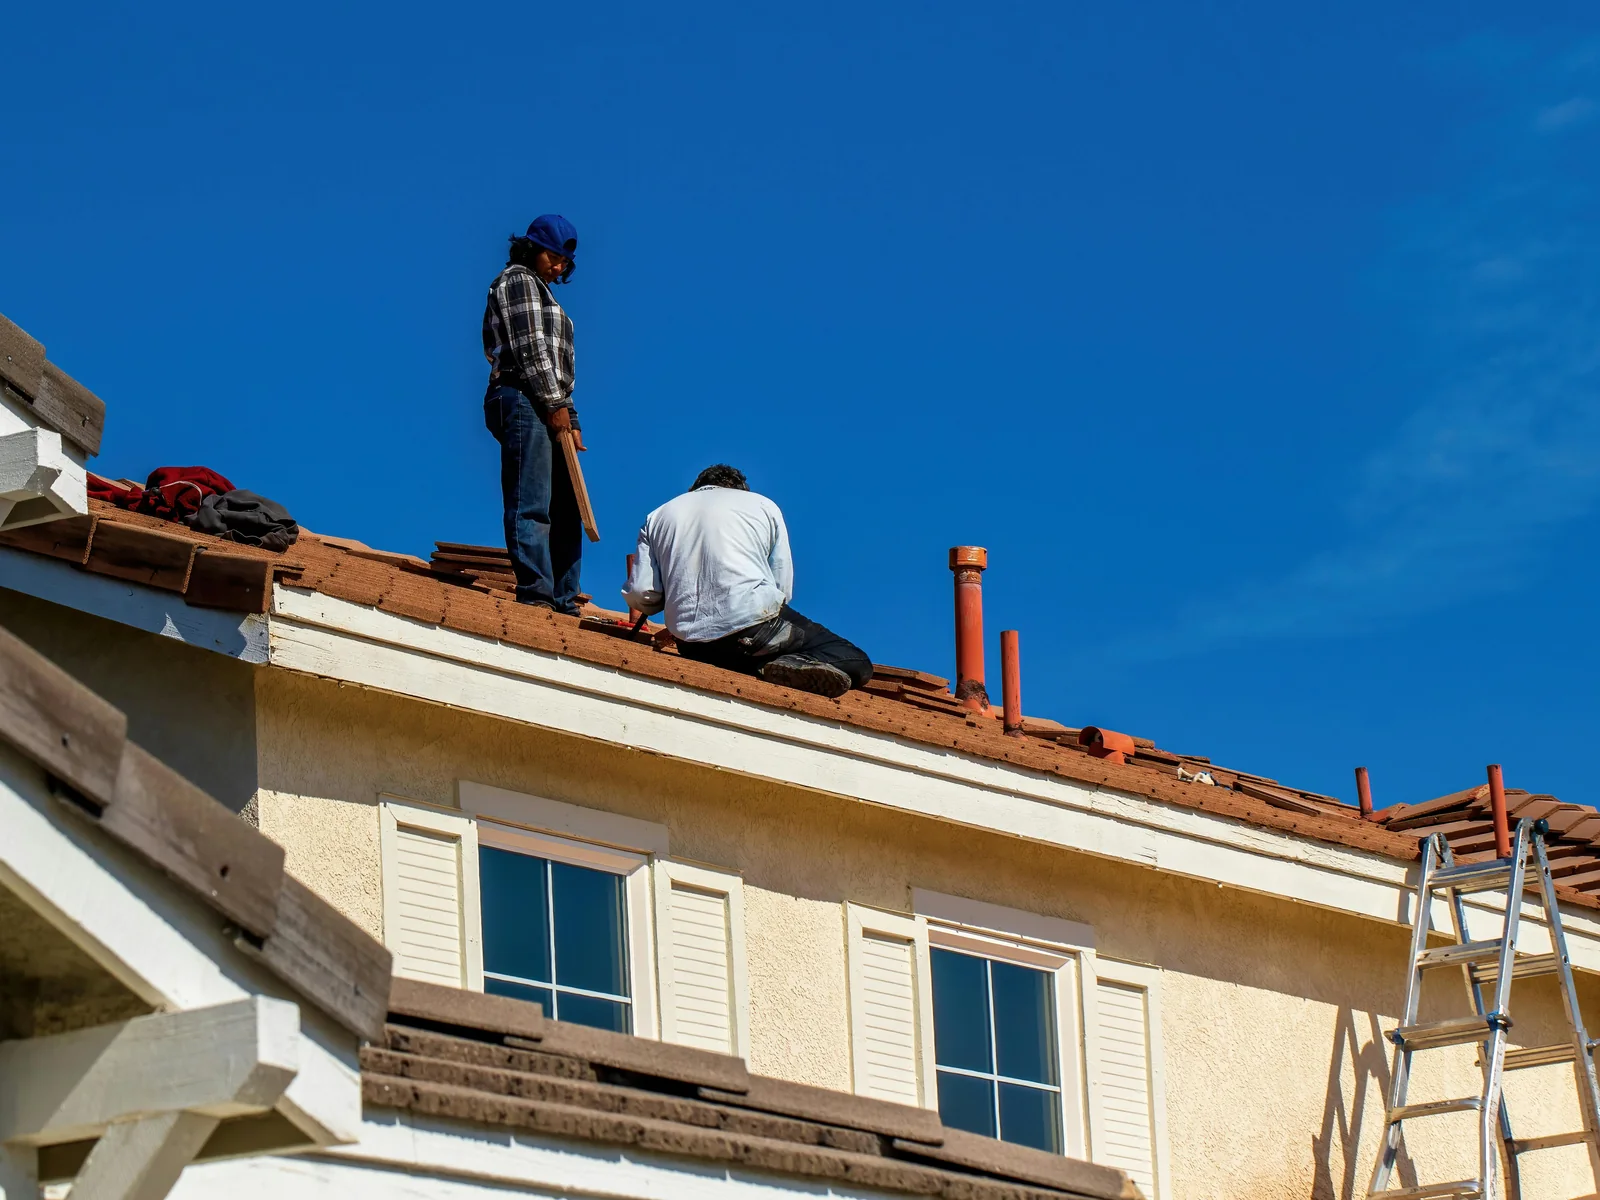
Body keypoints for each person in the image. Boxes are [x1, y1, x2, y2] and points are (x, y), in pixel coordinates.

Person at [622, 465, 873, 699]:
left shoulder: (657, 515)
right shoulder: (762, 505)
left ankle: (768, 666)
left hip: (692, 646)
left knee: (735, 655)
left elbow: (643, 594)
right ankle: (780, 664)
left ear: (695, 489)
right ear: (739, 490)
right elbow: (781, 586)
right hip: (755, 631)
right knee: (854, 660)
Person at [482, 214, 585, 613]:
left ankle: (565, 597)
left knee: (567, 504)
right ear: (532, 249)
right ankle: (537, 593)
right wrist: (555, 405)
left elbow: (559, 366)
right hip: (523, 395)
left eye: (565, 261)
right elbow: (530, 351)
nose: (559, 266)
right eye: (553, 256)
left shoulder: (546, 293)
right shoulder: (518, 281)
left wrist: (569, 416)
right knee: (533, 499)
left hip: (547, 400)